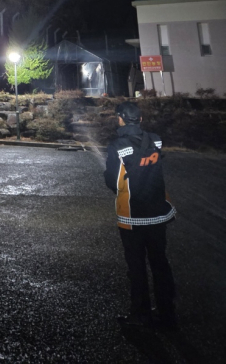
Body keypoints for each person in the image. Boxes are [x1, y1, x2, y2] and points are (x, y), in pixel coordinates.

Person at [104, 101, 177, 328]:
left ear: (121, 119)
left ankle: (140, 314)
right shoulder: (155, 140)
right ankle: (167, 313)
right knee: (159, 263)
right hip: (158, 213)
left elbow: (113, 181)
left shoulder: (118, 145)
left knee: (136, 266)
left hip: (132, 215)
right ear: (141, 119)